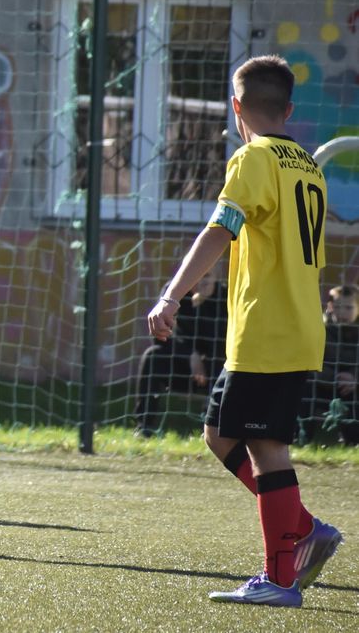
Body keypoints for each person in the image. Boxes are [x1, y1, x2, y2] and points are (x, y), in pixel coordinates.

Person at [146, 55, 343, 607]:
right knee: (219, 433)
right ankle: (303, 528)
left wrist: (171, 295)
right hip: (295, 326)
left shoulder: (252, 157)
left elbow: (221, 229)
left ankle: (281, 577)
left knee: (266, 447)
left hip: (268, 330)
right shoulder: (307, 165)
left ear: (236, 107)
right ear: (289, 109)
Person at [133, 281, 226, 437]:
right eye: (198, 277)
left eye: (207, 276)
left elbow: (226, 340)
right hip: (181, 364)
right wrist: (190, 354)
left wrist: (203, 304)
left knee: (222, 365)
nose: (201, 282)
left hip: (214, 366)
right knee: (152, 356)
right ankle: (144, 426)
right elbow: (159, 337)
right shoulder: (174, 292)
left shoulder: (224, 295)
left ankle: (210, 427)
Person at [310, 284, 359, 445]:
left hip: (353, 386)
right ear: (330, 307)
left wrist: (354, 378)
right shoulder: (321, 330)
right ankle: (302, 436)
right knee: (304, 388)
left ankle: (352, 441)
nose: (342, 312)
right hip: (324, 384)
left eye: (348, 307)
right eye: (337, 307)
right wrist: (335, 377)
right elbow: (313, 361)